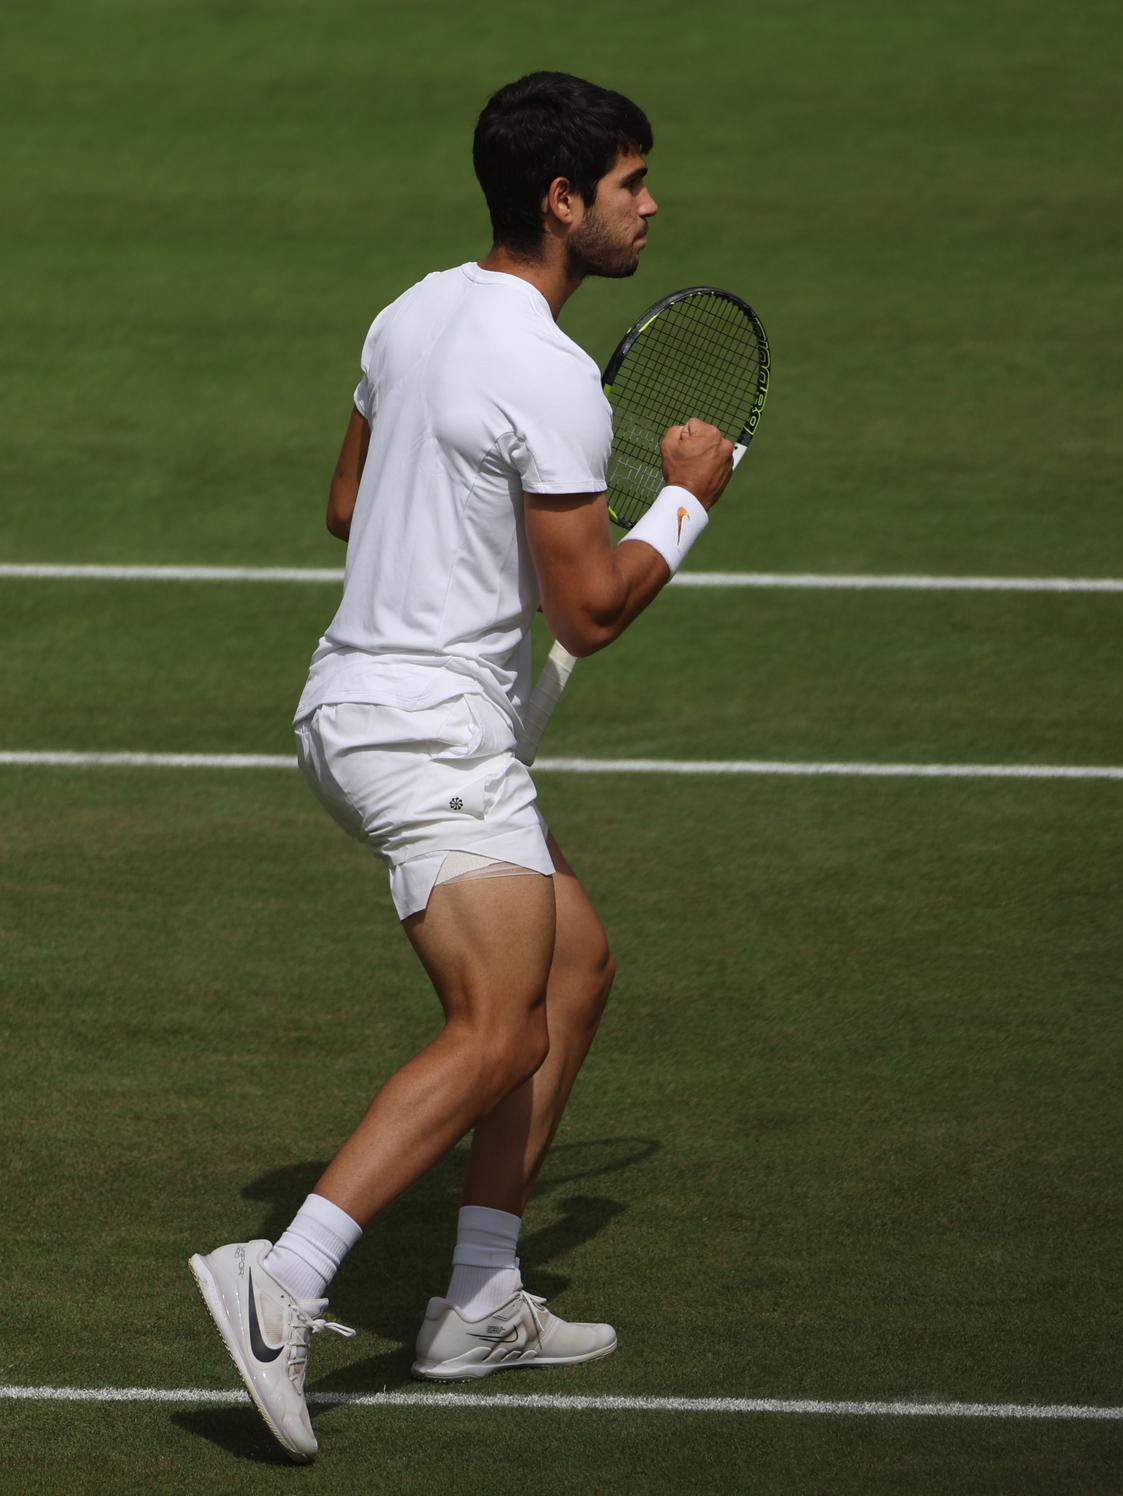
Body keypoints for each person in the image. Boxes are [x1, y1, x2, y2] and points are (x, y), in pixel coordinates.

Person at [189, 70, 733, 1462]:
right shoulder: (548, 374)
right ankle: (284, 1280)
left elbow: (348, 503)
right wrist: (684, 500)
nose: (650, 206)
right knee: (496, 1026)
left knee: (573, 968)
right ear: (565, 201)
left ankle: (481, 1293)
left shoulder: (409, 311)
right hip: (427, 735)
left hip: (358, 702)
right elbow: (593, 614)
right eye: (629, 185)